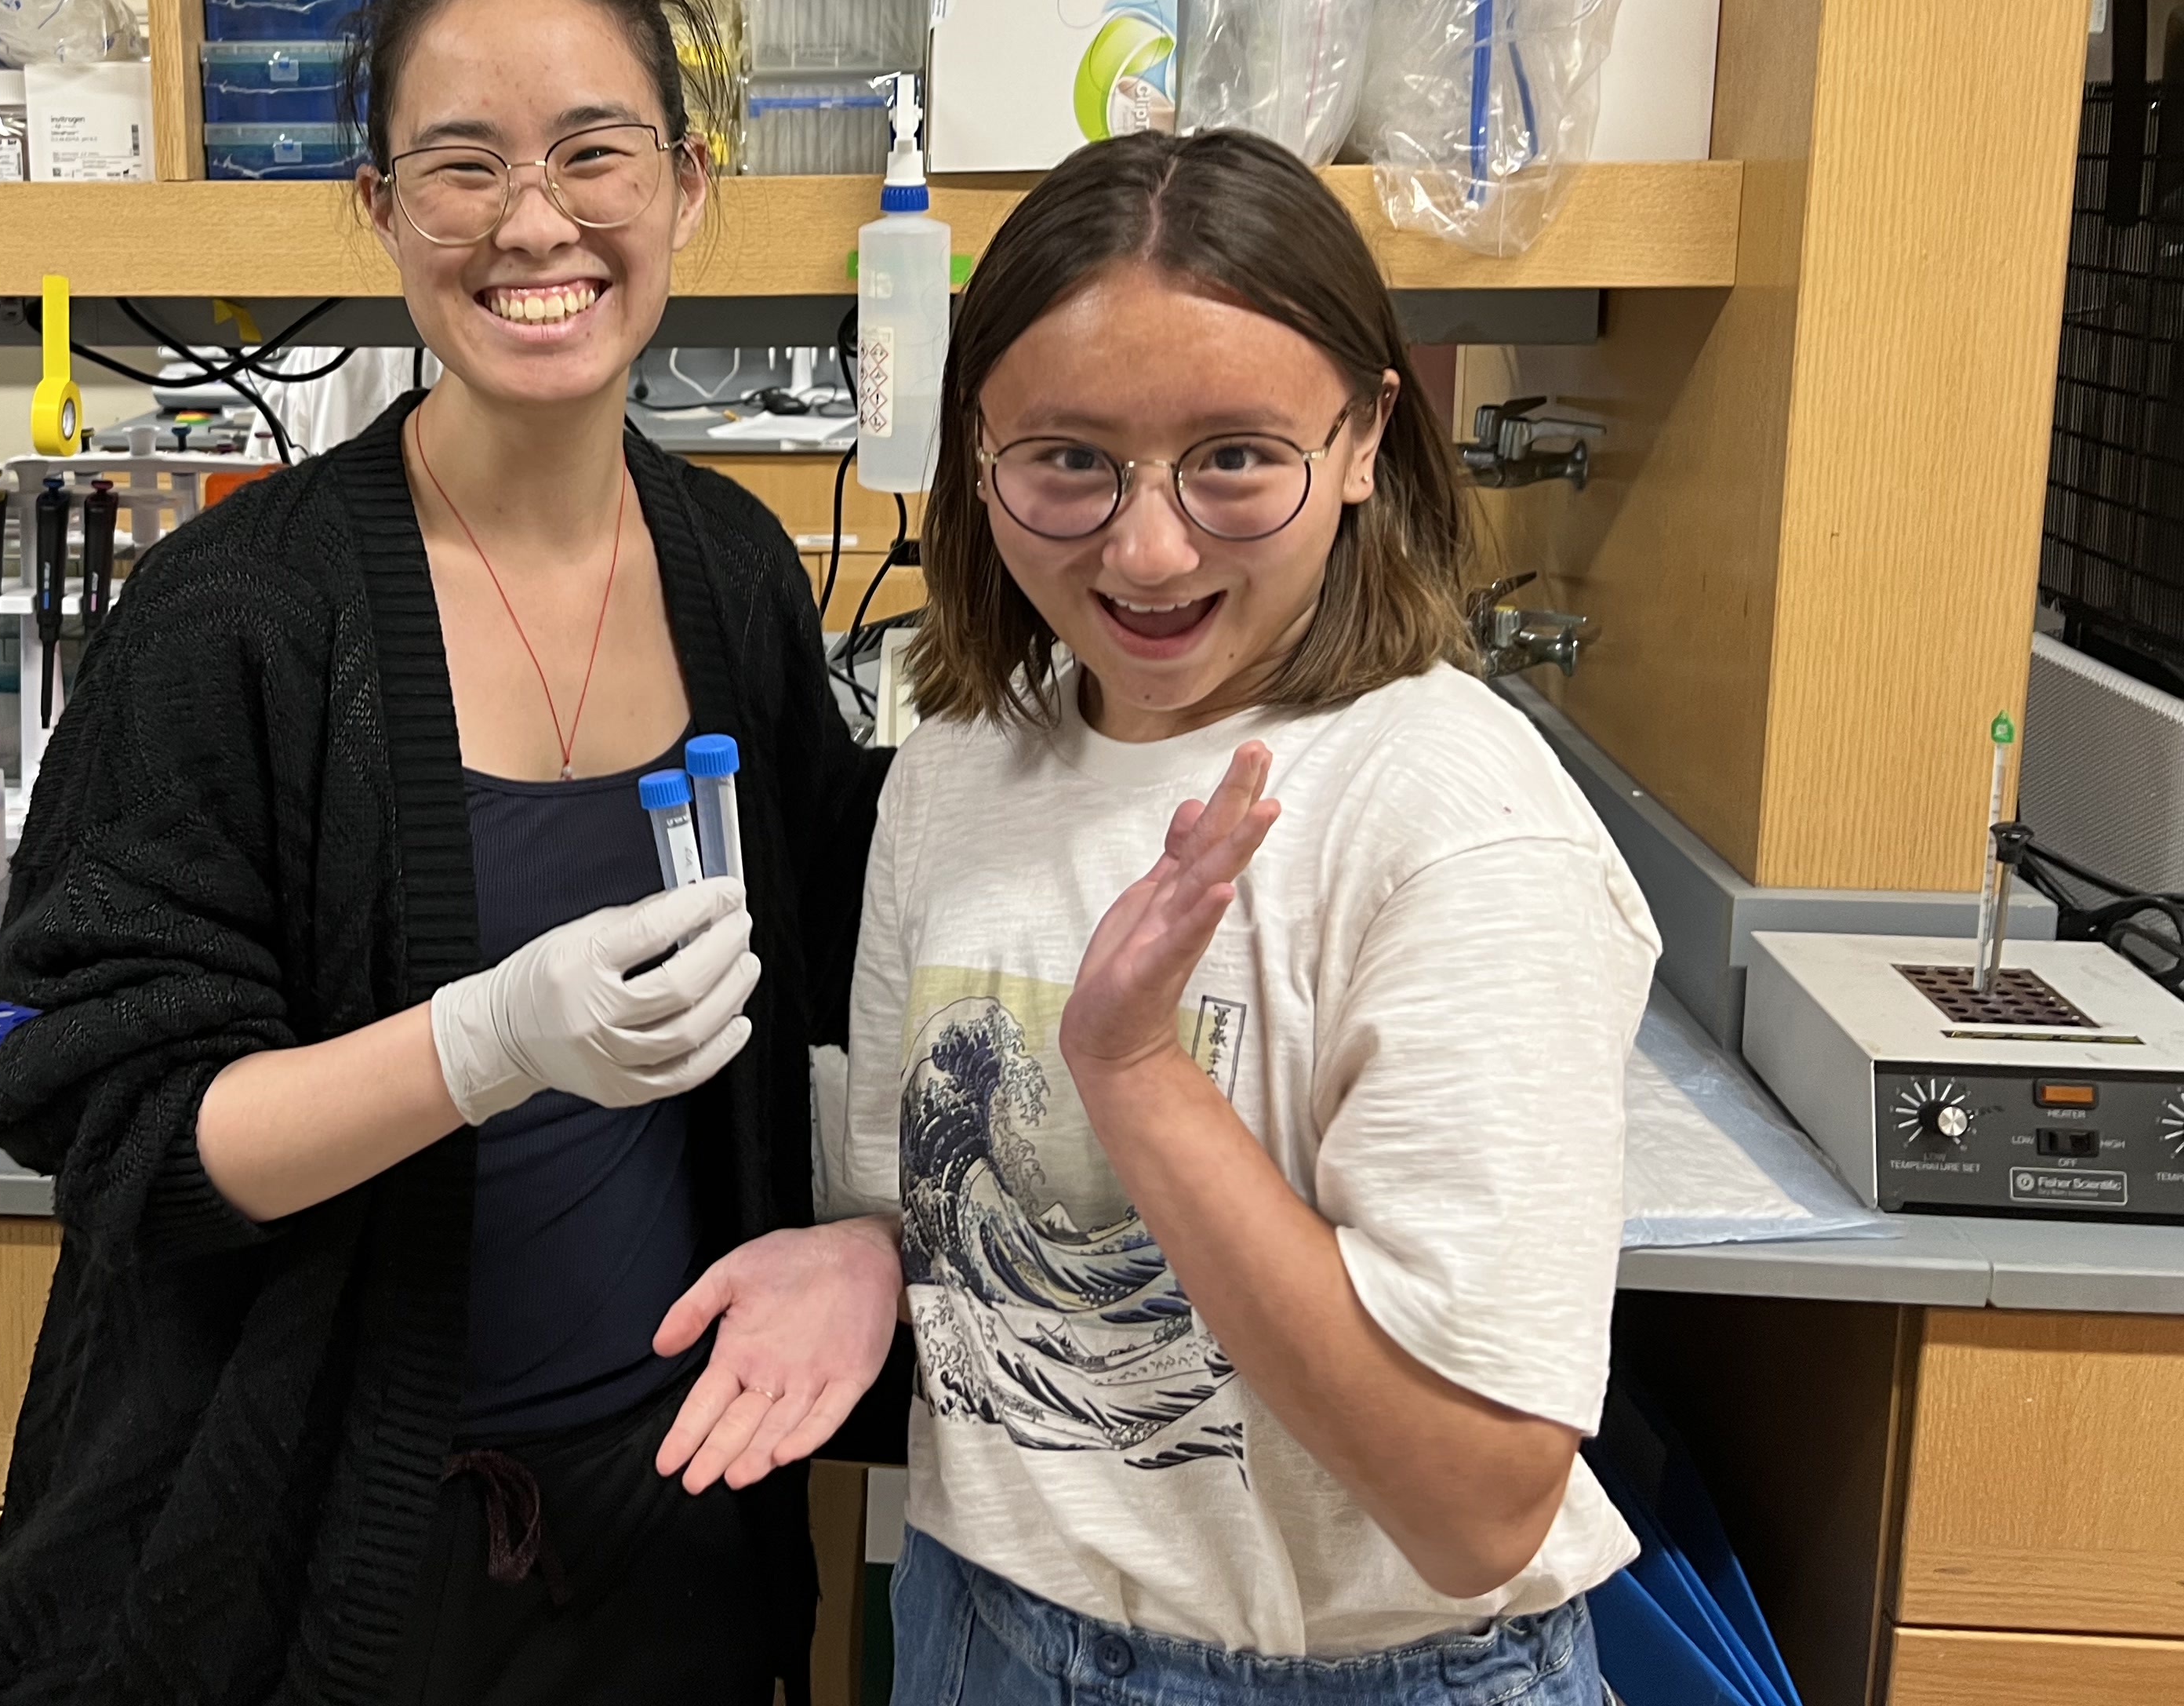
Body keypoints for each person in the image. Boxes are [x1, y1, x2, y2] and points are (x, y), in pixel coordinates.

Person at [0, 0, 891, 1706]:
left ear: (690, 191)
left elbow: (848, 960)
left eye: (593, 153)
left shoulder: (733, 570)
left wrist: (880, 1240)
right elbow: (118, 1136)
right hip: (309, 1539)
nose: (534, 223)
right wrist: (483, 1043)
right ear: (384, 213)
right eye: (462, 166)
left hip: (670, 1527)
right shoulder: (239, 614)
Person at [709, 131, 1658, 1703]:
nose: (1146, 552)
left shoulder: (1449, 819)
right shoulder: (965, 761)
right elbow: (934, 1197)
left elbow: (1477, 1505)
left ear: (1363, 437)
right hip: (988, 1619)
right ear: (973, 447)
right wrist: (868, 1253)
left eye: (1237, 456)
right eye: (1069, 459)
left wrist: (1136, 1073)